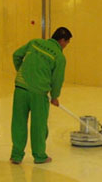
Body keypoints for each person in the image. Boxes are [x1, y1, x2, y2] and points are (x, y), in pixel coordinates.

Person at [10, 27, 72, 164]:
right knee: (39, 125)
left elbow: (16, 55)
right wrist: (54, 96)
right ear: (62, 41)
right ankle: (39, 156)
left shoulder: (34, 42)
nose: (66, 46)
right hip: (39, 93)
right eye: (67, 43)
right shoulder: (59, 56)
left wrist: (22, 71)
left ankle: (16, 155)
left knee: (18, 122)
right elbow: (57, 79)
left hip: (20, 88)